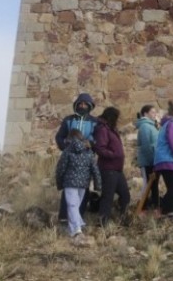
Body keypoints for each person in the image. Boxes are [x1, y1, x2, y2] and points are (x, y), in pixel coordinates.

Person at [54, 93, 99, 223]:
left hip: (86, 158)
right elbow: (59, 137)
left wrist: (91, 145)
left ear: (89, 106)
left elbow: (98, 139)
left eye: (85, 104)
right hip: (71, 157)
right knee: (69, 185)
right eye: (80, 103)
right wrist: (65, 148)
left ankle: (78, 218)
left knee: (84, 187)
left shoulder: (94, 122)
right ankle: (64, 218)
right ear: (76, 105)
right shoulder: (69, 120)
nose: (82, 106)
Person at [55, 129, 101, 239]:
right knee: (75, 205)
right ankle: (76, 226)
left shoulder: (67, 151)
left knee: (72, 205)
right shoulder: (88, 151)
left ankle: (77, 229)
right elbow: (95, 170)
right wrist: (98, 185)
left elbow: (60, 169)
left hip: (69, 182)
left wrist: (59, 183)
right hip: (83, 184)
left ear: (69, 138)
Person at [93, 107, 130, 227]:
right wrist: (114, 154)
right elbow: (100, 148)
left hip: (117, 169)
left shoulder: (112, 129)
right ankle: (102, 222)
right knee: (108, 196)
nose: (118, 120)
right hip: (108, 169)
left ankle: (123, 219)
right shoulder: (103, 129)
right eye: (116, 117)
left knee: (125, 195)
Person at [135, 104, 160, 212]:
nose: (155, 114)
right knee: (147, 184)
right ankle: (141, 208)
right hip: (148, 162)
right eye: (152, 112)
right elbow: (146, 146)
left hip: (154, 161)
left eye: (155, 112)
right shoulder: (145, 126)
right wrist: (152, 161)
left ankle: (154, 206)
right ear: (145, 114)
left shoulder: (152, 126)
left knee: (154, 185)